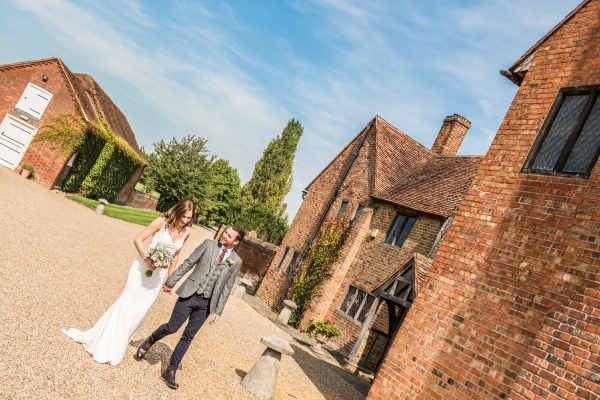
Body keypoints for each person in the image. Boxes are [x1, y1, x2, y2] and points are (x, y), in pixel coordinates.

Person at [62, 199, 196, 366]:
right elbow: (138, 239)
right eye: (183, 216)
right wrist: (147, 260)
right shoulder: (162, 222)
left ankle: (117, 343)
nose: (185, 220)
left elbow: (175, 255)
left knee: (139, 311)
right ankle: (106, 346)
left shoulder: (186, 233)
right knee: (125, 306)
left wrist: (170, 279)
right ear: (177, 211)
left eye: (189, 218)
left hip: (157, 277)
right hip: (141, 269)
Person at [136, 225, 245, 389]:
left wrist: (218, 311)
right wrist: (171, 281)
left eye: (229, 236)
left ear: (235, 242)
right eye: (225, 232)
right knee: (172, 327)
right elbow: (188, 263)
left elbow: (227, 287)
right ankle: (151, 340)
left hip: (207, 303)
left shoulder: (236, 261)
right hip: (190, 293)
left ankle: (171, 370)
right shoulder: (208, 244)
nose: (224, 235)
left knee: (188, 336)